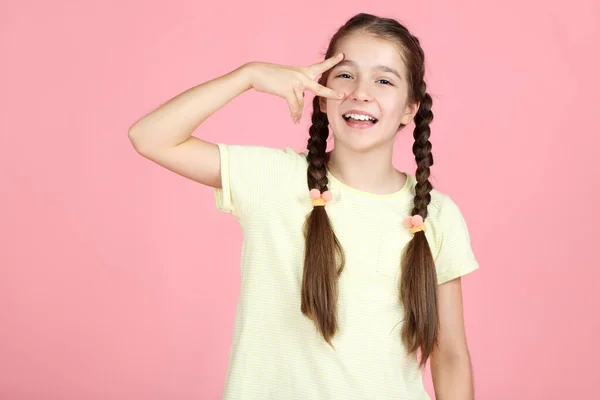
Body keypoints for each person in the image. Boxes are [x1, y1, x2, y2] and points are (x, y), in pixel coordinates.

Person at [128, 12, 479, 400]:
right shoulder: (274, 178)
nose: (360, 92)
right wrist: (248, 75)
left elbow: (449, 355)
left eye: (383, 80)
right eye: (345, 75)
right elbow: (150, 137)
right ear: (320, 89)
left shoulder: (437, 214)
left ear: (410, 109)